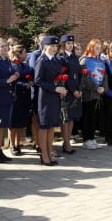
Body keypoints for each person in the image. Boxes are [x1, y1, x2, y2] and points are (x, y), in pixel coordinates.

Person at [35, 36, 68, 165]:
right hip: (45, 98)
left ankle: (49, 152)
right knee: (44, 126)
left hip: (55, 97)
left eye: (56, 46)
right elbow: (38, 80)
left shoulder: (56, 60)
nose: (54, 48)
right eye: (51, 46)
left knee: (51, 127)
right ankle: (44, 155)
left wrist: (61, 89)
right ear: (45, 47)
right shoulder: (41, 61)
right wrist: (55, 89)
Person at [80, 39, 107, 150]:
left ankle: (92, 138)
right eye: (96, 48)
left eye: (100, 48)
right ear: (91, 48)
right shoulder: (84, 60)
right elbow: (84, 78)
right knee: (87, 117)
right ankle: (86, 139)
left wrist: (103, 87)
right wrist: (96, 88)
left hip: (98, 93)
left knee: (94, 117)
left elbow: (105, 76)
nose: (98, 50)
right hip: (89, 94)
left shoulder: (101, 61)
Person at [58, 35, 82, 154]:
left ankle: (67, 142)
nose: (70, 45)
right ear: (63, 45)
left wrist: (80, 88)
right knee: (66, 118)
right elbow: (65, 77)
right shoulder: (61, 58)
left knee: (72, 117)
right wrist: (73, 90)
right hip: (67, 91)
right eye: (68, 43)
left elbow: (78, 73)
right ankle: (66, 142)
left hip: (76, 90)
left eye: (71, 43)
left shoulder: (74, 57)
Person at [9, 44, 33, 155]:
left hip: (25, 98)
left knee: (21, 123)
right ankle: (12, 144)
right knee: (13, 124)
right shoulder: (13, 65)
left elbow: (31, 75)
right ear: (18, 54)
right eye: (24, 52)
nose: (26, 54)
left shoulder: (26, 65)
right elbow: (13, 82)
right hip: (16, 97)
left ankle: (18, 143)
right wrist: (25, 85)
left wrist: (31, 82)